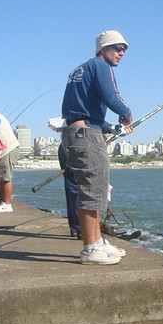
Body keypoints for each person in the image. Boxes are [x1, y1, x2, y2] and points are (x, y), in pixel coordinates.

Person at [61, 30, 134, 265]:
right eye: (117, 48)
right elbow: (111, 95)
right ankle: (90, 248)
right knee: (93, 191)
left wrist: (111, 127)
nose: (121, 52)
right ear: (102, 49)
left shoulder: (79, 71)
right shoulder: (102, 67)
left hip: (77, 131)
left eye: (124, 48)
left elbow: (81, 109)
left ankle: (98, 241)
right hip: (86, 136)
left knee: (93, 188)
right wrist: (126, 113)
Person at [0, 112, 19, 213]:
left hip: (7, 149)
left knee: (5, 177)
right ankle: (2, 202)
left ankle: (7, 203)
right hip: (3, 150)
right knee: (0, 177)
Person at [58, 143, 81, 239]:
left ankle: (76, 228)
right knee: (78, 189)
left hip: (67, 145)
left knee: (72, 190)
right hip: (79, 146)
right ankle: (82, 229)